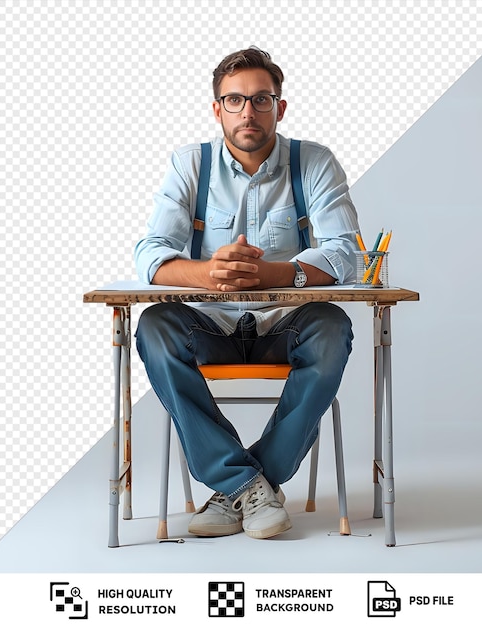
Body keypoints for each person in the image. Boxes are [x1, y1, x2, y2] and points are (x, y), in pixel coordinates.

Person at [134, 47, 360, 540]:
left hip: (286, 324)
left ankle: (237, 489)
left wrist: (276, 275)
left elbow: (347, 254)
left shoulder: (314, 163)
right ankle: (250, 487)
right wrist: (208, 274)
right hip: (208, 325)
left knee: (333, 327)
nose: (248, 112)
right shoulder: (190, 164)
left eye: (261, 99)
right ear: (217, 109)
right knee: (152, 327)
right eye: (234, 101)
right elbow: (150, 254)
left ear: (280, 107)